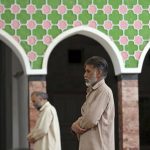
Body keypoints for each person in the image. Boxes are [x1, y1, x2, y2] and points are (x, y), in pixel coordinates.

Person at [71, 56, 115, 150]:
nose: (85, 75)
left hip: (98, 146)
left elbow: (90, 119)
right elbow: (88, 116)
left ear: (98, 73)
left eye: (88, 71)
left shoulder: (103, 91)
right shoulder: (94, 91)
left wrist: (75, 126)